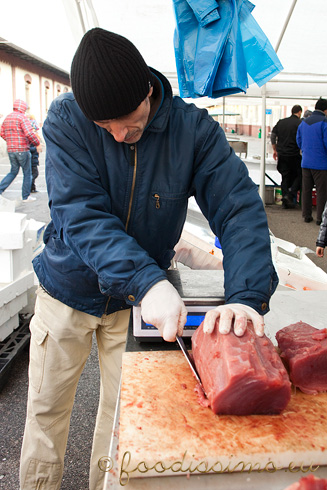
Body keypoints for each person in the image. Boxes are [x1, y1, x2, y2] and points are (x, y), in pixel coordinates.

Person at [20, 28, 278, 490]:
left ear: (148, 90)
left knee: (125, 415)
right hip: (67, 289)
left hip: (134, 307)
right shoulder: (65, 119)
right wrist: (149, 280)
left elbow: (238, 208)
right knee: (45, 409)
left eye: (128, 120)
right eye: (106, 127)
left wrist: (247, 294)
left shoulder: (191, 130)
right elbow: (80, 215)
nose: (119, 135)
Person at [0, 100, 40, 202]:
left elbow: (1, 132)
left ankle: (0, 190)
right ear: (23, 108)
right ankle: (25, 196)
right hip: (22, 149)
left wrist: (9, 141)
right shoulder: (22, 117)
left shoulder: (7, 118)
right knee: (27, 173)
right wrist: (37, 143)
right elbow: (29, 133)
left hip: (11, 150)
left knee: (13, 172)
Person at [297, 97, 327, 225]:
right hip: (321, 163)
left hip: (306, 162)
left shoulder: (303, 122)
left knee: (306, 189)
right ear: (325, 110)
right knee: (321, 191)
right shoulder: (324, 122)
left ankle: (306, 215)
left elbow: (299, 141)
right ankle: (320, 218)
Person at [271, 104, 303, 209]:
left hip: (282, 154)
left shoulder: (281, 122)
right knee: (299, 175)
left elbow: (273, 135)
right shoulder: (300, 123)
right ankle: (290, 194)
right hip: (295, 154)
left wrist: (274, 149)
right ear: (299, 112)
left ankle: (285, 199)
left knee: (285, 176)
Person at [28, 114, 41, 193]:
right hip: (32, 159)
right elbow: (30, 148)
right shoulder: (31, 138)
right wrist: (36, 148)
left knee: (34, 173)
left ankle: (32, 188)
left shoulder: (34, 137)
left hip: (34, 159)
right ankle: (30, 187)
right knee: (34, 173)